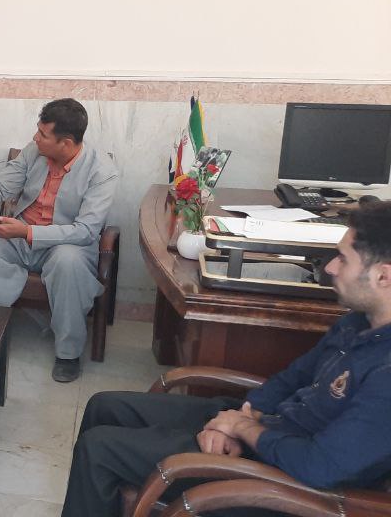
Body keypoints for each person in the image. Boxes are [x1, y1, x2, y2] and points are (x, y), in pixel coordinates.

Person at [60, 201, 391, 517]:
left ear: (383, 276)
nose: (330, 267)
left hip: (285, 487)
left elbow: (319, 466)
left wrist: (242, 429)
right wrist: (243, 416)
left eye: (343, 259)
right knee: (104, 406)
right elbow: (293, 378)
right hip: (268, 432)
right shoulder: (359, 322)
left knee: (98, 451)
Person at [0, 98, 118, 382]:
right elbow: (1, 186)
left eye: (43, 134)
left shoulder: (102, 171)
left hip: (67, 244)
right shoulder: (35, 152)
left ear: (66, 143)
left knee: (68, 262)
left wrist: (28, 233)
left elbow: (85, 231)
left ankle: (68, 353)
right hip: (20, 233)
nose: (35, 137)